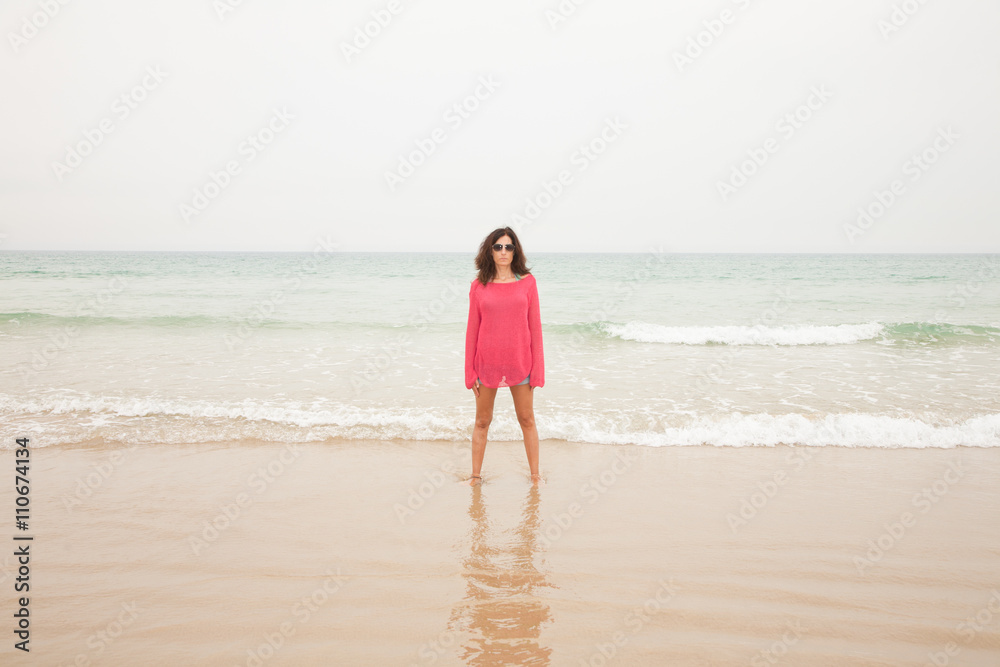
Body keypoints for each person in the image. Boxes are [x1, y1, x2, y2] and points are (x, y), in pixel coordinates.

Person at [464, 227, 545, 486]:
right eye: (498, 247)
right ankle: (475, 476)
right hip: (486, 364)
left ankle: (535, 476)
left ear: (515, 251)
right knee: (482, 421)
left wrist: (539, 371)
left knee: (527, 419)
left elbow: (535, 327)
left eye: (508, 247)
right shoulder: (479, 287)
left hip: (521, 364)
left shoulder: (528, 283)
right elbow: (472, 331)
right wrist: (469, 373)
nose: (503, 252)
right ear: (490, 251)